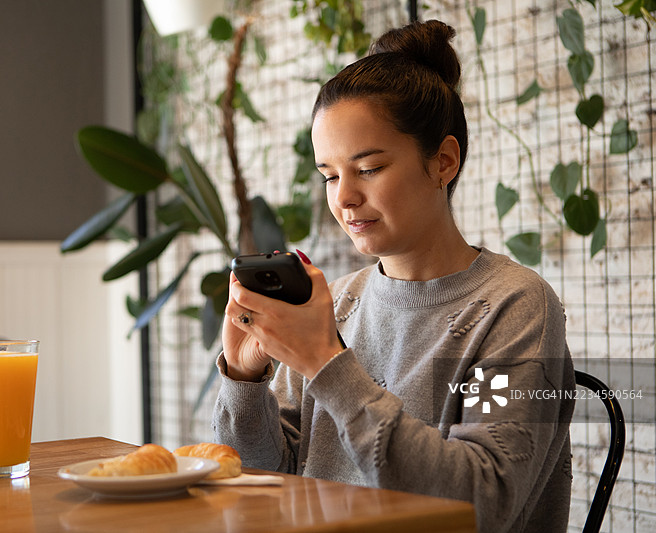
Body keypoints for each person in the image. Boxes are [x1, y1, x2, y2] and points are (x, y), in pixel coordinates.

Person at [213, 19, 575, 533]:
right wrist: (245, 378)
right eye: (330, 176)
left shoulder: (513, 307)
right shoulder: (336, 304)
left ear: (443, 162)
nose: (344, 198)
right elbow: (265, 479)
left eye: (370, 168)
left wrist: (326, 363)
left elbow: (481, 502)